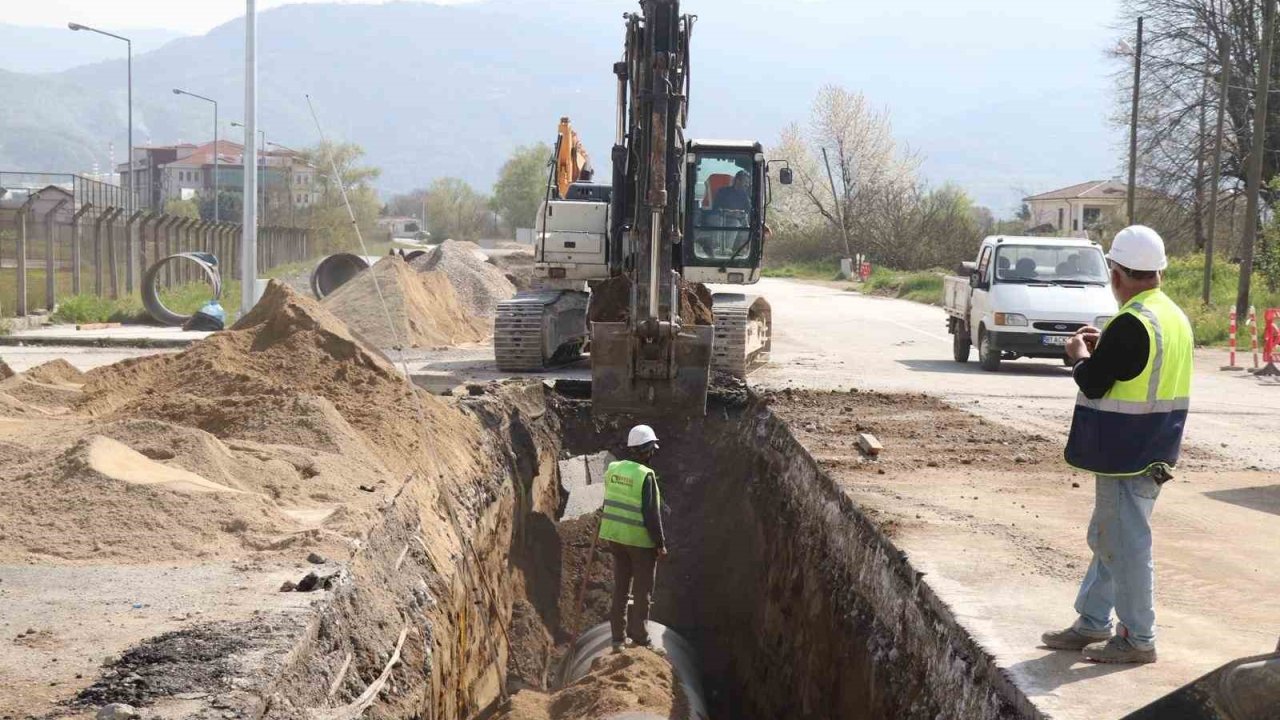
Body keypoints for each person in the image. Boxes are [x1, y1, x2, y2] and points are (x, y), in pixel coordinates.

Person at [1042, 225, 1193, 664]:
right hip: (1156, 449)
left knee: (1126, 545)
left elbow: (1094, 381)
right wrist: (1103, 346)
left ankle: (1138, 638)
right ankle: (1091, 621)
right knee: (1110, 536)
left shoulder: (1132, 322)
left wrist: (1078, 353)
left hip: (1125, 453)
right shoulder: (1171, 316)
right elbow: (1136, 368)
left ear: (1118, 274)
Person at [598, 424, 668, 650]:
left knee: (620, 588)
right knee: (642, 591)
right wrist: (660, 544)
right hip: (639, 541)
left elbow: (612, 498)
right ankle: (639, 636)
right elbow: (651, 515)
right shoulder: (645, 476)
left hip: (615, 538)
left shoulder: (614, 468)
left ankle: (618, 639)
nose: (654, 453)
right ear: (646, 451)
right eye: (652, 449)